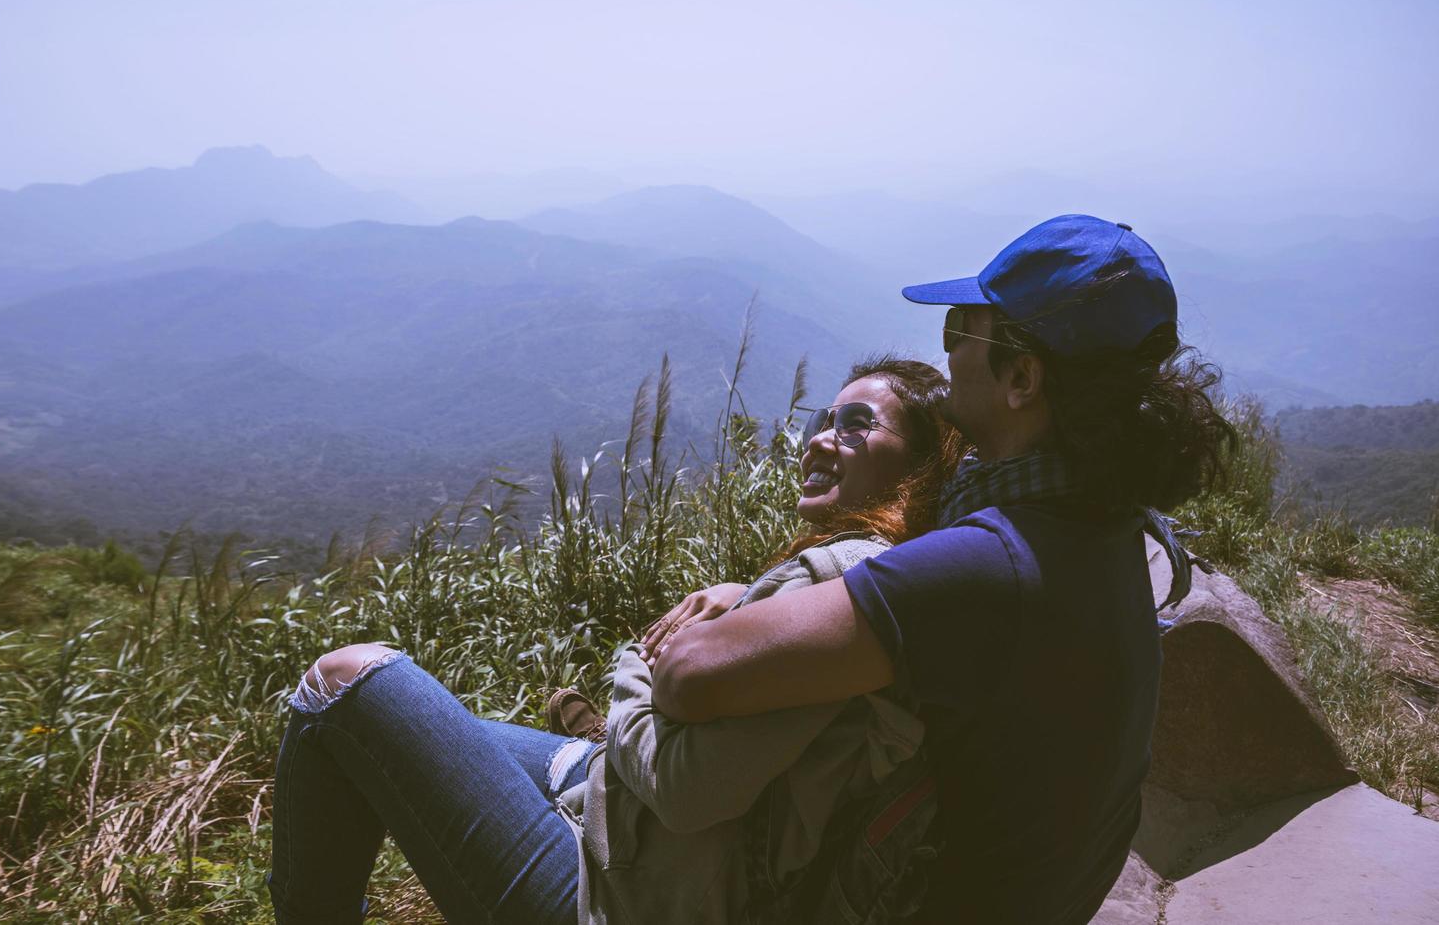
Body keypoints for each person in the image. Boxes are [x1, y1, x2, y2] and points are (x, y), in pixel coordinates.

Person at [651, 214, 1237, 924]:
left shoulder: (991, 563)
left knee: (475, 742)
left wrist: (654, 655)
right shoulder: (1105, 531)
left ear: (1021, 377)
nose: (950, 346)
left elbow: (689, 676)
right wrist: (754, 598)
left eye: (963, 325)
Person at [267, 356, 963, 924]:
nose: (818, 438)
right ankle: (599, 744)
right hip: (644, 842)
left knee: (344, 685)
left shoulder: (844, 583)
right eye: (821, 419)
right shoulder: (877, 575)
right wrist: (733, 600)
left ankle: (605, 736)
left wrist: (635, 664)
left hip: (619, 896)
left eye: (855, 425)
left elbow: (689, 793)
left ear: (920, 468)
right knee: (433, 734)